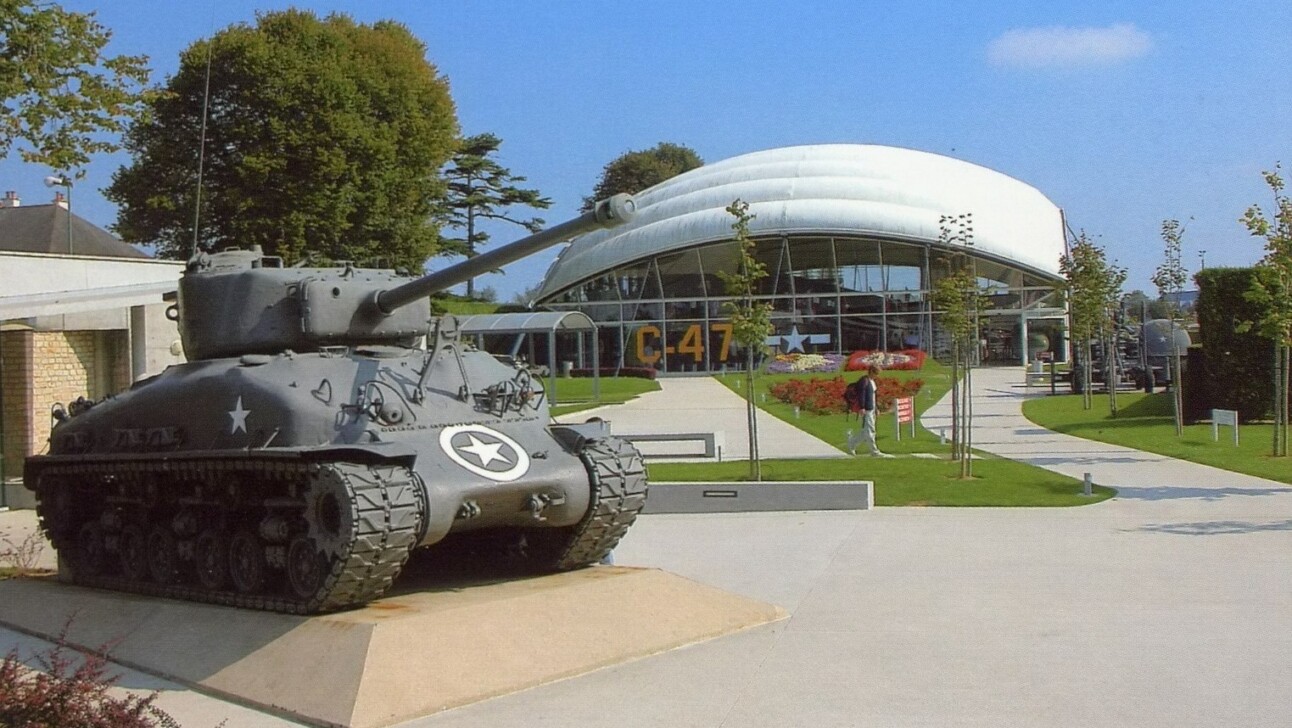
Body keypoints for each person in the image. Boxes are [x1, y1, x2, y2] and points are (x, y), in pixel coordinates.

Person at [847, 363, 893, 458]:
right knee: (870, 430)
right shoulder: (864, 381)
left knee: (865, 431)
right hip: (866, 410)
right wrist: (862, 407)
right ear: (871, 371)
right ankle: (874, 451)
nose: (877, 376)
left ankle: (852, 443)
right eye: (876, 373)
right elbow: (862, 395)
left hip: (871, 409)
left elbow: (873, 396)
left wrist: (876, 408)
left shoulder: (872, 381)